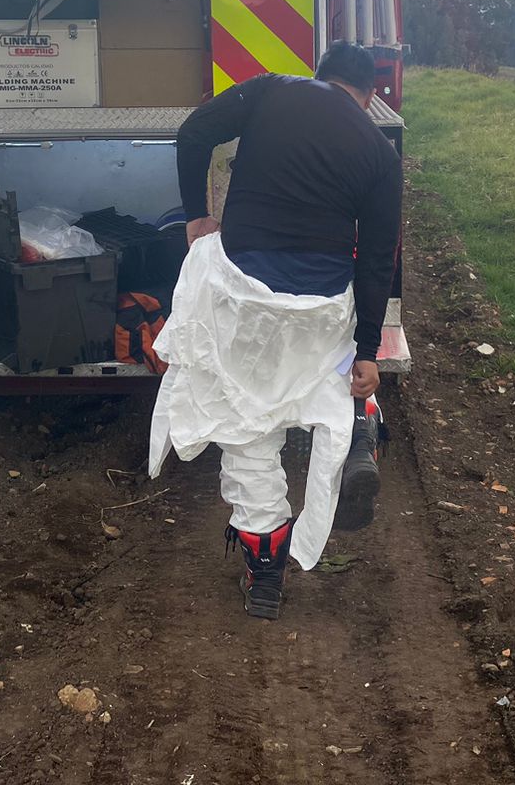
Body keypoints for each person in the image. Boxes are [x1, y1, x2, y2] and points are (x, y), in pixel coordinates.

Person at [149, 43, 402, 621]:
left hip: (244, 296)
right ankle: (360, 422)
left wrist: (196, 215)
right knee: (333, 365)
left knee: (246, 428)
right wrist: (366, 350)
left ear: (321, 77)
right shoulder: (377, 150)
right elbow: (378, 259)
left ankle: (264, 573)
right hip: (318, 304)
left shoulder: (271, 90)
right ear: (367, 97)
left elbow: (192, 136)